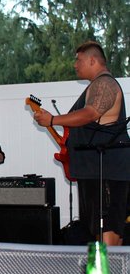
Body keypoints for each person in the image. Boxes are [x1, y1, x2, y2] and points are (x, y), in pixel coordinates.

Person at [34, 40, 130, 246]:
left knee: (109, 227)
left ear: (92, 60)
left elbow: (91, 113)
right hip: (95, 171)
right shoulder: (95, 86)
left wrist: (52, 120)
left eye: (78, 60)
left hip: (108, 170)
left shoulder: (105, 84)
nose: (75, 65)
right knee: (96, 228)